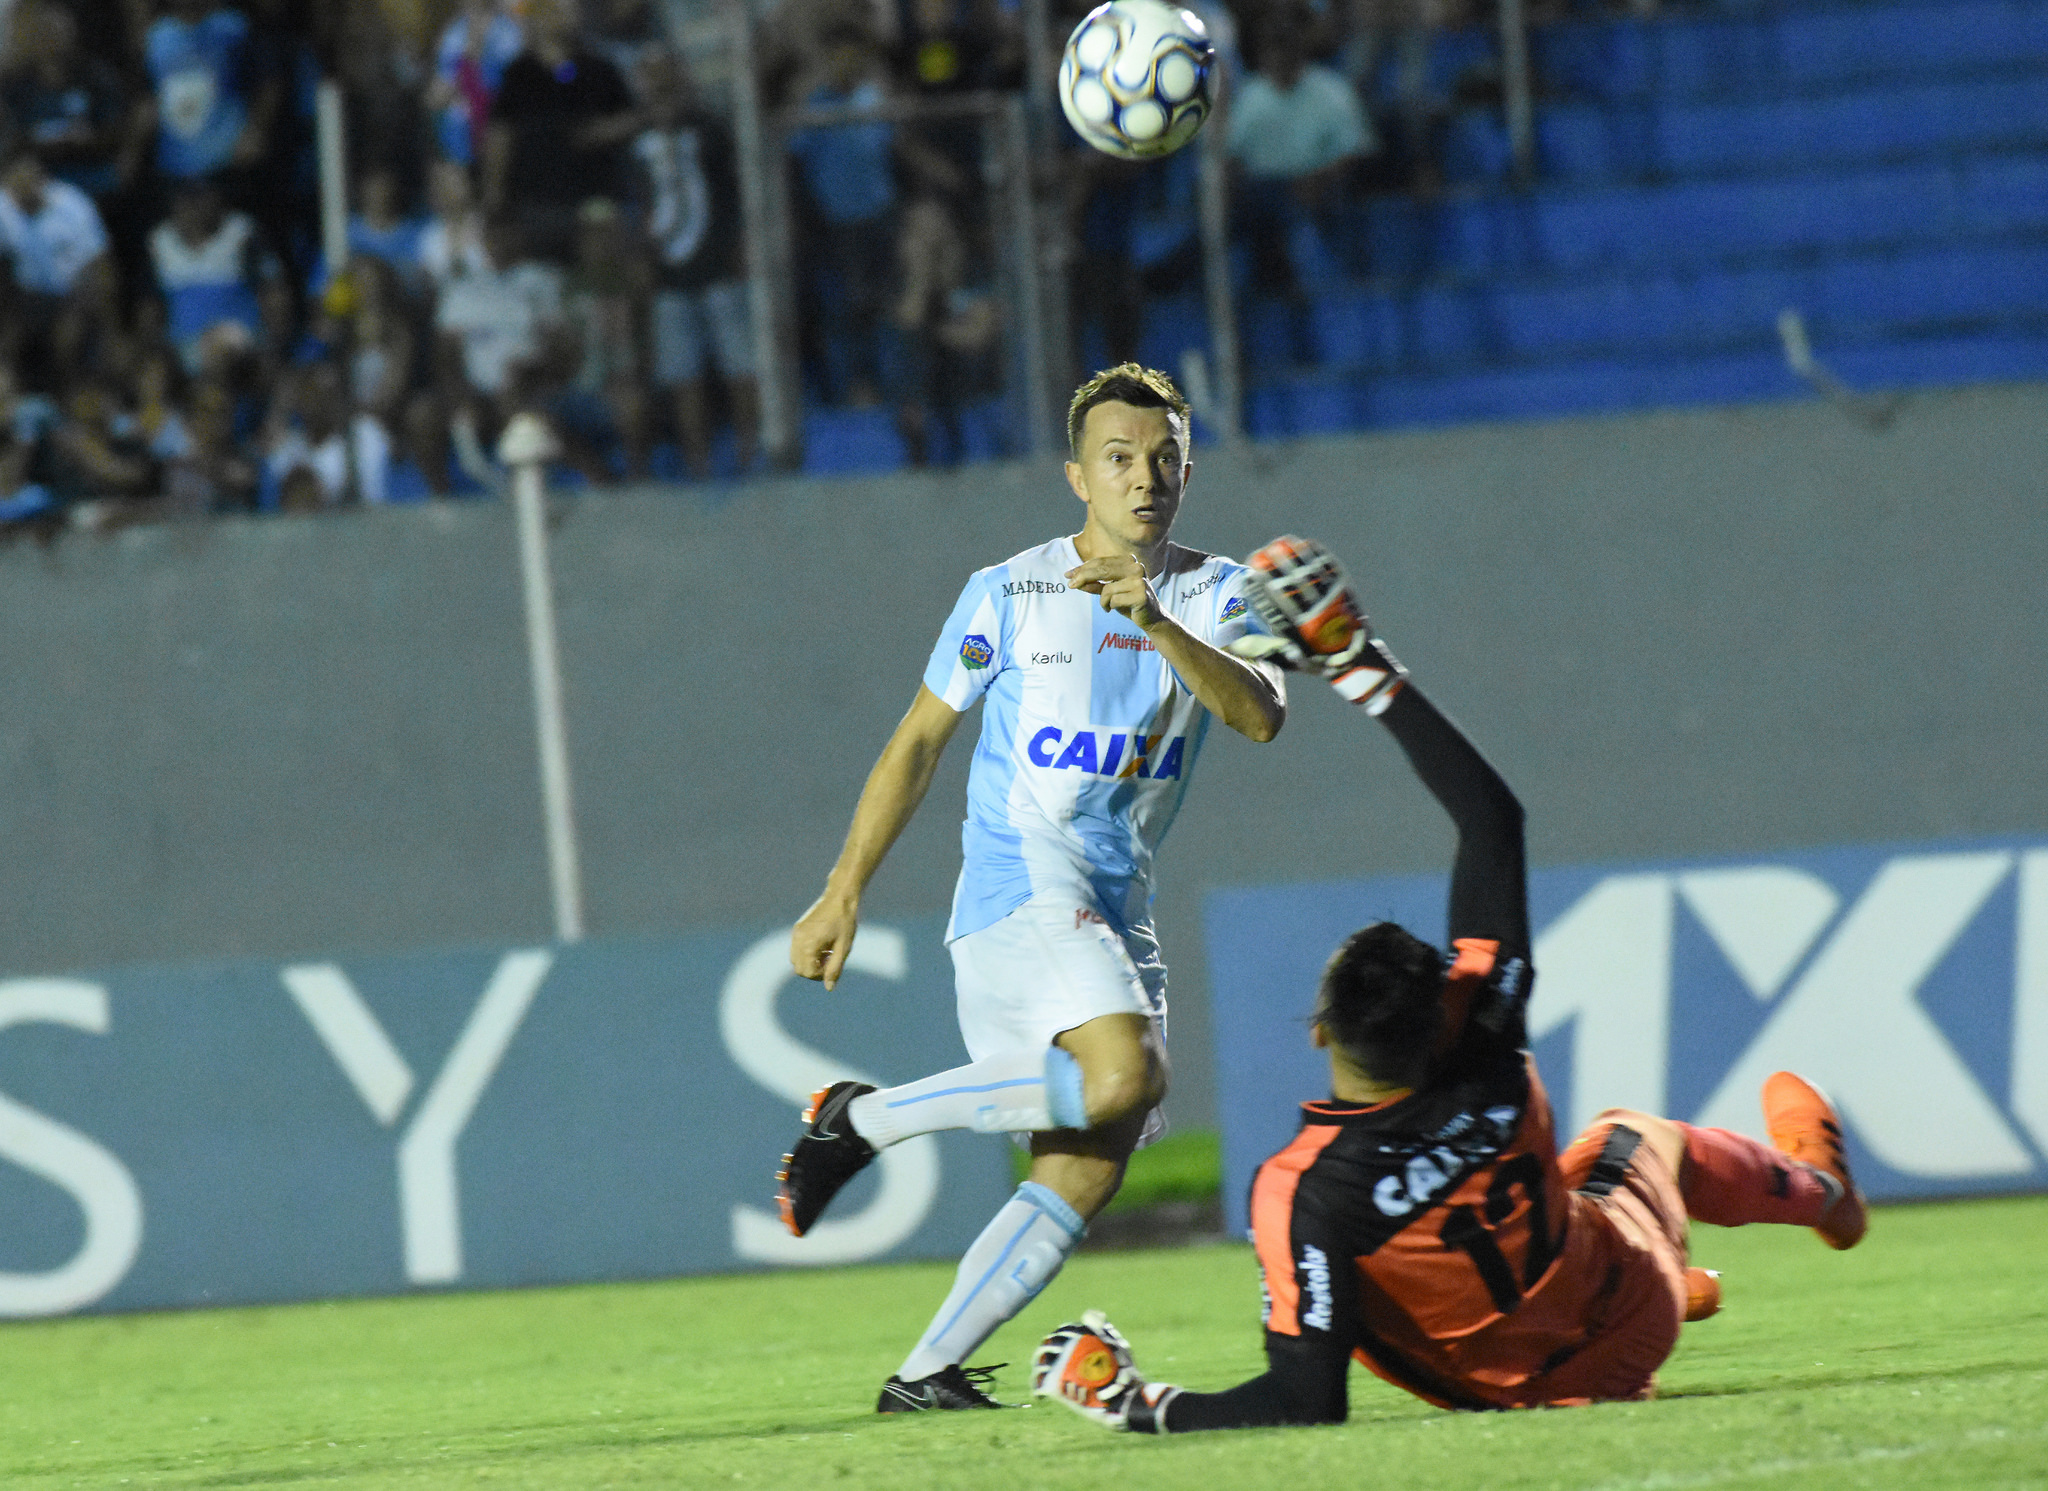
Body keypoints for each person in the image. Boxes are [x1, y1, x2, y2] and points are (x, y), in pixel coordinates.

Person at [1029, 536, 1872, 1432]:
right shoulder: (1484, 1024)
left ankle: (1639, 1284)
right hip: (1633, 1314)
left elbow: (1306, 1402)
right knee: (1635, 1136)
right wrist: (1359, 665)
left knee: (1333, 1293)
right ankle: (1824, 1193)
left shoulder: (1307, 1186)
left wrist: (1135, 1401)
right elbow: (1492, 821)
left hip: (1506, 1387)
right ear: (1441, 1007)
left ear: (1321, 1033)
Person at [776, 363, 1288, 1413]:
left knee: (1088, 1165)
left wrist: (1153, 621)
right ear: (1075, 476)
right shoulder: (1007, 591)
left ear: (1187, 469)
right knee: (1122, 1076)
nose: (1142, 478)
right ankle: (860, 1121)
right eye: (1117, 459)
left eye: (1162, 459)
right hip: (1019, 883)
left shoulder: (1221, 593)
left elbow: (1259, 715)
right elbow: (919, 740)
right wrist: (842, 889)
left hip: (1117, 903)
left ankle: (921, 1375)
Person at [631, 48, 758, 478]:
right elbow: (638, 204)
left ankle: (750, 450)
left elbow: (735, 189)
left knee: (740, 364)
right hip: (668, 273)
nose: (659, 84)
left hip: (719, 266)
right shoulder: (636, 137)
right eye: (651, 77)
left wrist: (739, 245)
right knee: (682, 376)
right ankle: (697, 462)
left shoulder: (709, 128)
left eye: (666, 74)